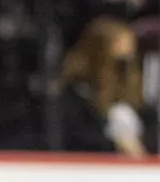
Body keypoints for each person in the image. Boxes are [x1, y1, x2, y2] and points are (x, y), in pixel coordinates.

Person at [59, 17, 149, 155]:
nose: (123, 70)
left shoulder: (133, 101)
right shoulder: (77, 95)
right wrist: (115, 142)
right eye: (117, 64)